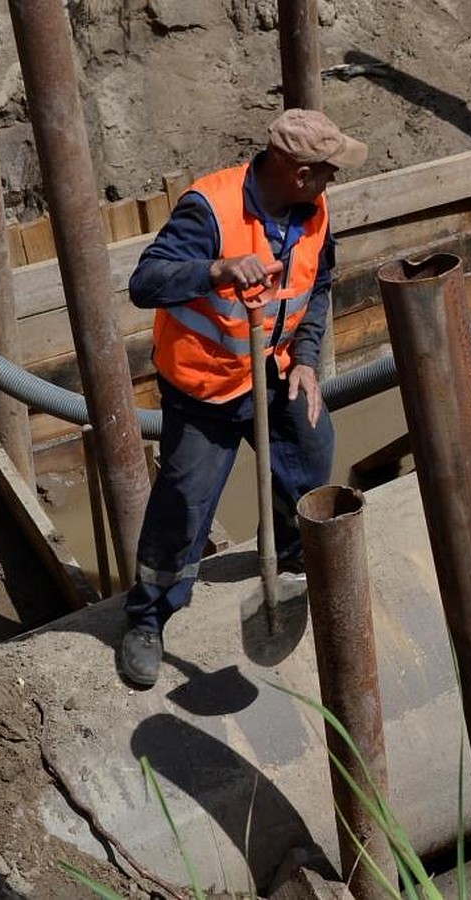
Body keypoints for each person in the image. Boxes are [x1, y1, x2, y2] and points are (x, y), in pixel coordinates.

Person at [118, 108, 367, 687]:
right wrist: (217, 268)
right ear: (298, 171)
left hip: (276, 371)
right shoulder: (210, 208)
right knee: (185, 499)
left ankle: (287, 558)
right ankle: (149, 615)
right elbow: (145, 283)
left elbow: (319, 284)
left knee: (311, 452)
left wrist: (306, 358)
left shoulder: (314, 212)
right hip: (205, 385)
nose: (333, 182)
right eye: (327, 171)